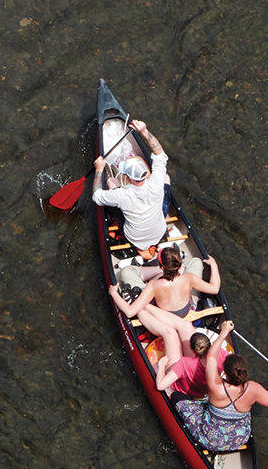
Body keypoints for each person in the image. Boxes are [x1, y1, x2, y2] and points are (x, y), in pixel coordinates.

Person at [174, 320, 268, 452]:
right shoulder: (253, 388)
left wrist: (223, 332)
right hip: (238, 439)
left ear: (226, 372)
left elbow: (211, 356)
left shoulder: (215, 385)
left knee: (176, 396)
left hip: (209, 439)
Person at [108, 245, 220, 364]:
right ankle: (170, 271)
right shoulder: (189, 278)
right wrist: (214, 265)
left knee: (126, 271)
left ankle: (154, 274)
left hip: (163, 316)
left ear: (162, 267)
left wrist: (114, 293)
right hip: (187, 308)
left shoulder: (154, 285)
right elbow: (215, 288)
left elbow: (130, 312)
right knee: (196, 262)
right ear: (179, 266)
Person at [91, 119, 169, 258]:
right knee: (166, 178)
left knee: (111, 181)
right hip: (159, 231)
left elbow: (96, 197)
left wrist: (99, 170)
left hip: (134, 238)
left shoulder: (122, 194)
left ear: (129, 178)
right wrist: (144, 131)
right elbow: (159, 152)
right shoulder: (155, 181)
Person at [154, 331, 229, 397]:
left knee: (170, 334)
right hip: (202, 392)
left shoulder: (184, 363)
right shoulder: (221, 353)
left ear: (192, 349)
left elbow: (160, 386)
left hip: (179, 390)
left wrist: (162, 365)